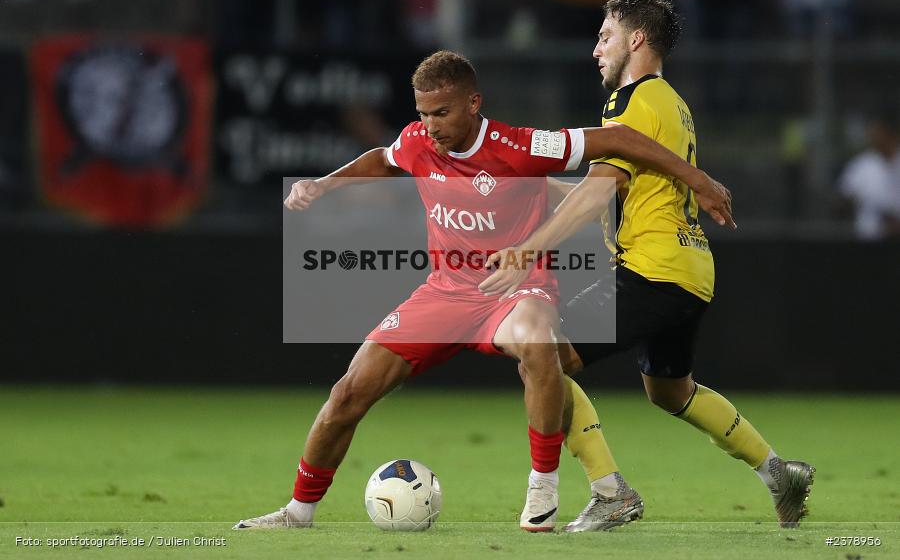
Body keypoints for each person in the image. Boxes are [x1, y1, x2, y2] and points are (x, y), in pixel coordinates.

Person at [234, 50, 733, 532]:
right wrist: (324, 184)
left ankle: (543, 486)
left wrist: (699, 179)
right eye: (423, 113)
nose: (431, 125)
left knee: (539, 343)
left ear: (473, 103)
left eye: (442, 113)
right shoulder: (417, 141)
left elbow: (620, 137)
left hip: (514, 290)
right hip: (444, 293)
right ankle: (297, 511)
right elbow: (383, 159)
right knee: (348, 392)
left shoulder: (520, 147)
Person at [480, 0, 814, 531]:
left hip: (652, 269)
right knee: (670, 390)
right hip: (690, 269)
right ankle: (779, 472)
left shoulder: (630, 101)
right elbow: (617, 192)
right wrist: (533, 187)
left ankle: (610, 492)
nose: (596, 50)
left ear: (635, 39)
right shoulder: (672, 103)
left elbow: (599, 190)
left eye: (605, 36)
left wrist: (528, 249)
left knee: (543, 357)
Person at [837, 111, 900, 239]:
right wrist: (848, 202)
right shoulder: (861, 165)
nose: (872, 136)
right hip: (869, 238)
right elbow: (842, 198)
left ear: (891, 133)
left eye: (878, 132)